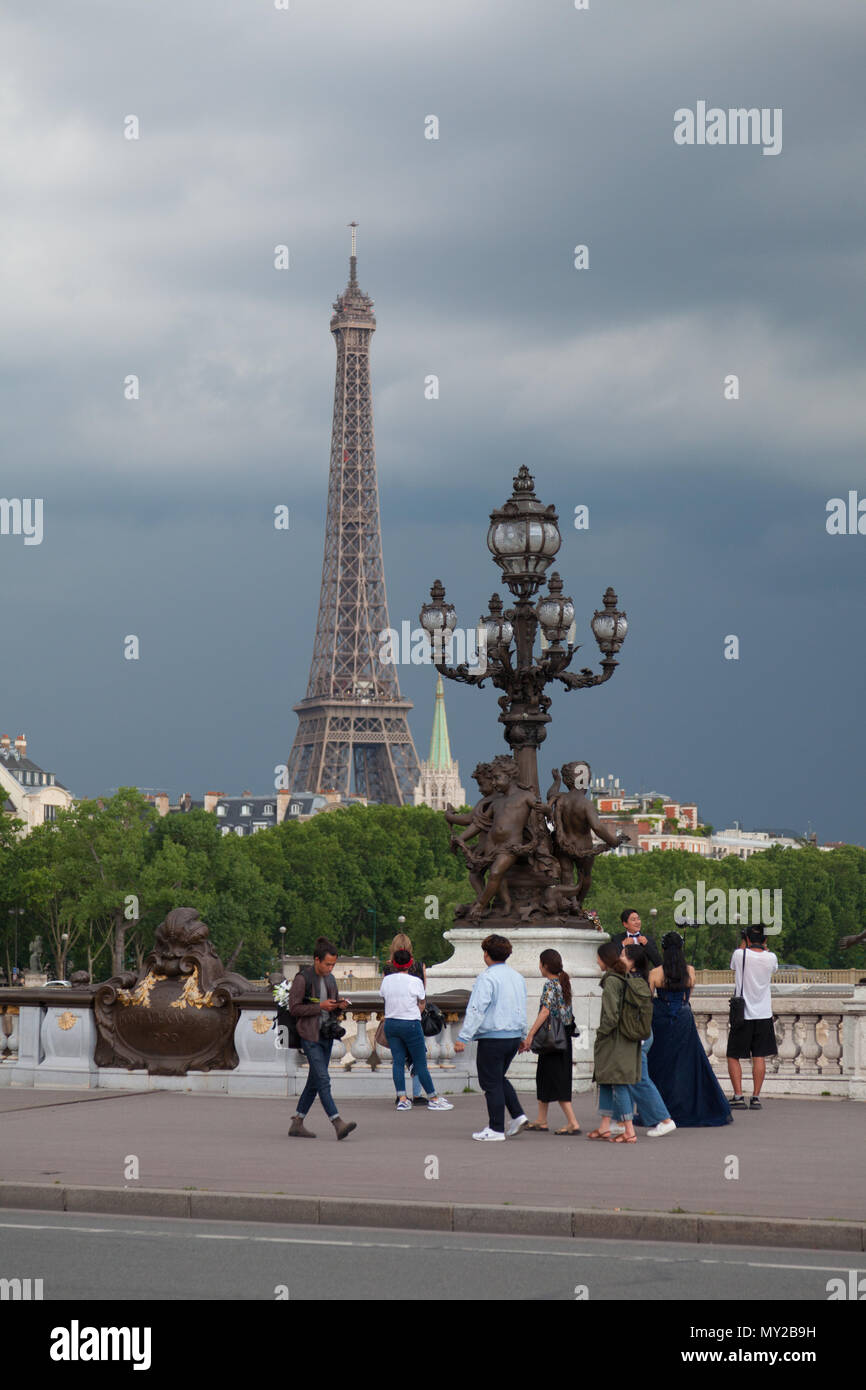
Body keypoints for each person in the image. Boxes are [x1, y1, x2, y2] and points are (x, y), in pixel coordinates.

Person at [646, 932, 732, 1127]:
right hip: (683, 1018)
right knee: (687, 1063)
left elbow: (648, 999)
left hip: (660, 1018)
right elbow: (687, 996)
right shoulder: (690, 971)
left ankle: (661, 1108)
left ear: (663, 949)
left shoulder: (655, 972)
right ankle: (686, 1105)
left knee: (661, 1063)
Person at [454, 934, 529, 1141]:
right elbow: (521, 1008)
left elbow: (477, 1009)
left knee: (490, 1083)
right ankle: (517, 1115)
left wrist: (463, 1037)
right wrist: (523, 1035)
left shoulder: (487, 978)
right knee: (498, 1078)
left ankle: (495, 1128)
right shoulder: (517, 977)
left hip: (493, 1036)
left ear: (486, 954)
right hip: (513, 1035)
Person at [288, 937, 357, 1140]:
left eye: (333, 964)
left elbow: (331, 1005)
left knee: (315, 1080)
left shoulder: (331, 979)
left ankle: (297, 1122)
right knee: (323, 1079)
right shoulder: (302, 979)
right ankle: (337, 1122)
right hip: (309, 1035)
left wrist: (338, 1005)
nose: (330, 968)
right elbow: (294, 1008)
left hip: (326, 1034)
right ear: (316, 960)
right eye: (327, 964)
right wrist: (320, 1006)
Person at [379, 949, 453, 1112]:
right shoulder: (415, 981)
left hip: (391, 1022)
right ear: (410, 962)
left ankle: (403, 1098)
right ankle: (433, 1097)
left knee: (398, 1062)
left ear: (394, 962)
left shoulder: (387, 980)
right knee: (420, 1063)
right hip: (410, 1023)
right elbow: (421, 1001)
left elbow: (384, 996)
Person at [588, 940, 646, 1143]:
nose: (596, 961)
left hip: (614, 1039)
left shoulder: (612, 981)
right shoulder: (624, 977)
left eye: (598, 957)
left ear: (605, 959)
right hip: (623, 1038)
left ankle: (629, 1130)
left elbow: (611, 1016)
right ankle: (605, 1126)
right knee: (605, 1080)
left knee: (618, 1083)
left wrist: (601, 1033)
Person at [518, 949, 580, 1134]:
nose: (539, 967)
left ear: (545, 965)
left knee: (556, 1078)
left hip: (552, 1039)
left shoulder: (550, 985)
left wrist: (530, 1035)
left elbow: (545, 1011)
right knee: (545, 1076)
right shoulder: (564, 982)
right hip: (563, 1038)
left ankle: (572, 1122)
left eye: (540, 963)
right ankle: (541, 1119)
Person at [616, 944, 675, 1138]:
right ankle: (620, 1121)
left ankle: (665, 1119)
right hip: (641, 1034)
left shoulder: (633, 983)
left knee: (639, 1080)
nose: (620, 958)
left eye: (623, 956)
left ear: (632, 963)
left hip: (637, 1036)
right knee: (627, 1079)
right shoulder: (637, 979)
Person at [726, 926, 779, 1110]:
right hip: (763, 1013)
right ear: (765, 940)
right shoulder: (771, 958)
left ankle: (738, 1095)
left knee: (733, 1055)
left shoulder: (739, 955)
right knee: (759, 1055)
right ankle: (755, 1097)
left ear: (747, 939)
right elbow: (773, 967)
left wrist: (744, 940)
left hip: (743, 1014)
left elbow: (736, 962)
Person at [382, 933, 427, 1103]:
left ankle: (400, 1095)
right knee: (417, 1057)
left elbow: (386, 996)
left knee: (398, 1060)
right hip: (413, 1017)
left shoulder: (387, 970)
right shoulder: (419, 966)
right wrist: (416, 1013)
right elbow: (422, 996)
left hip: (393, 1018)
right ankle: (418, 1094)